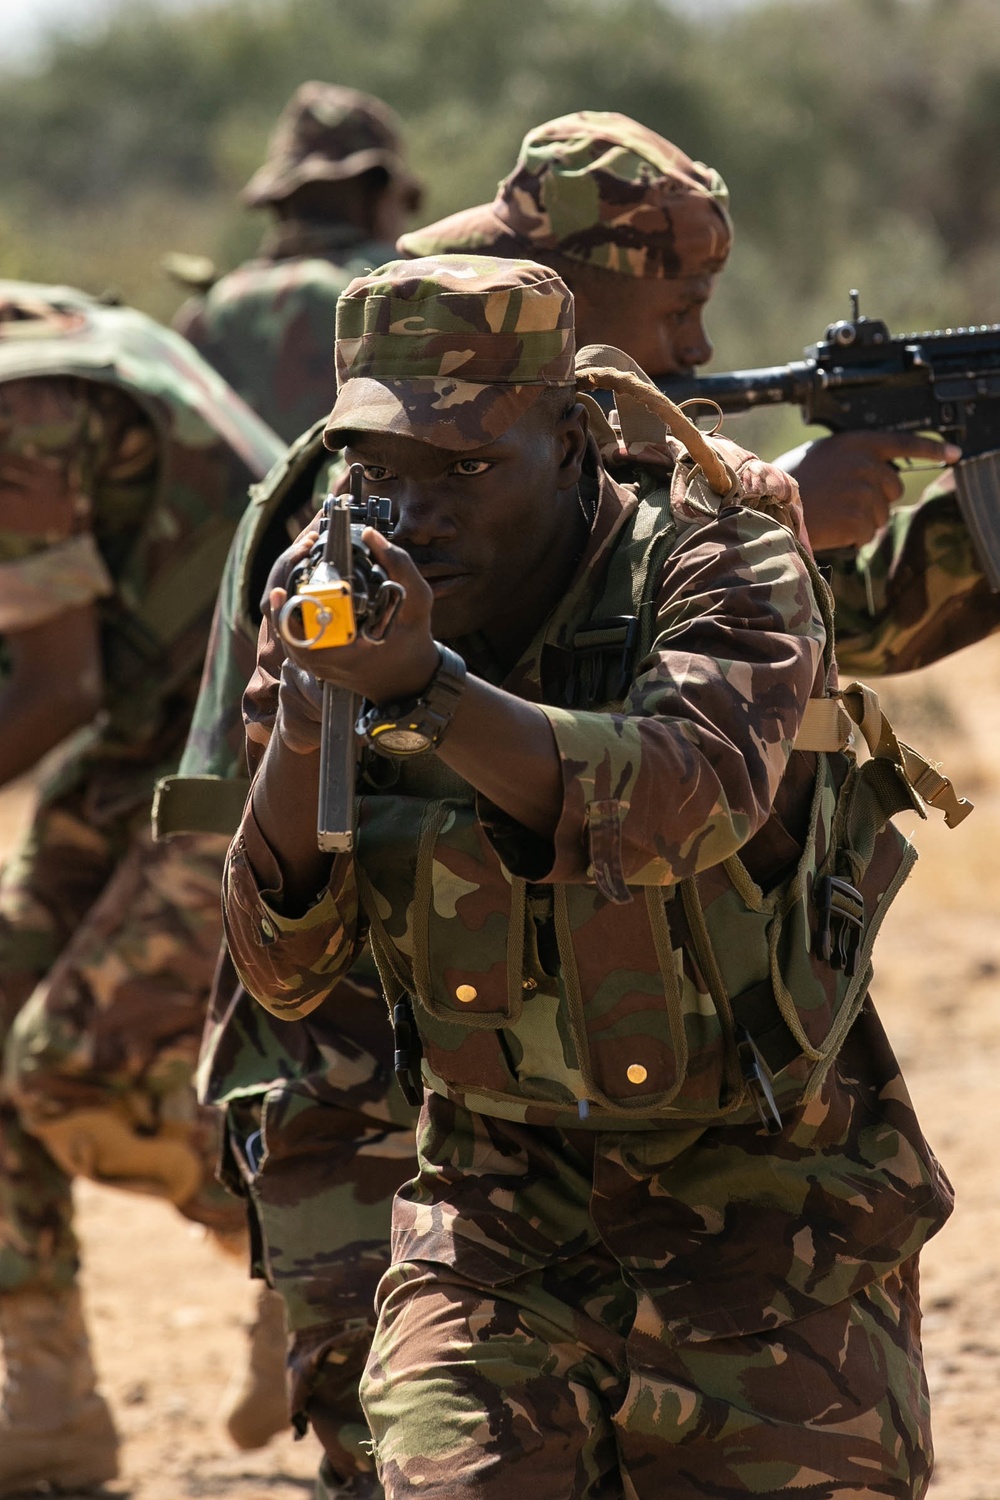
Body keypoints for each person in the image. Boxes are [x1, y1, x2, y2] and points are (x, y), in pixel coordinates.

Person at [221, 252, 956, 1498]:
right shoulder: (342, 598)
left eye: (461, 468)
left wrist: (428, 693)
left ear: (571, 441)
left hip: (770, 1211)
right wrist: (305, 716)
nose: (414, 513)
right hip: (494, 1217)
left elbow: (685, 799)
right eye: (379, 470)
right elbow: (284, 967)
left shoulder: (719, 556)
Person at [0, 280, 287, 1495]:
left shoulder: (20, 409)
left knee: (68, 1062)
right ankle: (45, 1396)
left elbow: (53, 683)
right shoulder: (49, 323)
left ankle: (314, 1257)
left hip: (272, 740)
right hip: (167, 728)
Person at [173, 81, 423, 443]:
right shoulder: (402, 296)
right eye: (406, 202)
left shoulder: (206, 315)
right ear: (380, 195)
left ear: (278, 199)